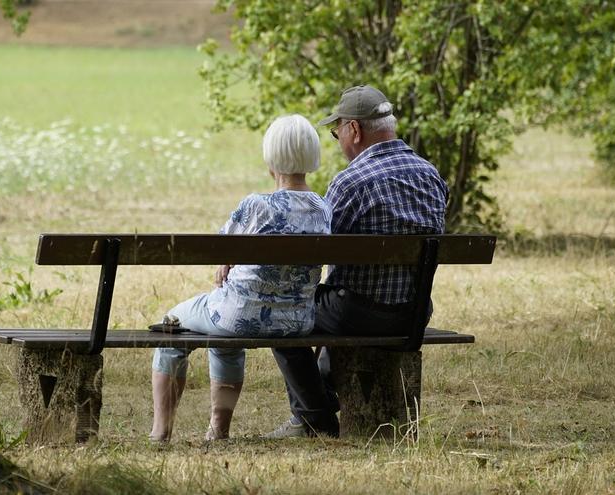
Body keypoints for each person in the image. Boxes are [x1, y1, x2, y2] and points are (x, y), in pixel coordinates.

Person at [265, 85, 449, 438]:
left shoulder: (350, 182)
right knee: (335, 298)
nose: (338, 141)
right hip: (414, 313)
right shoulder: (431, 176)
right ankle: (319, 400)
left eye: (337, 134)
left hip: (359, 314)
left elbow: (317, 252)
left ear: (354, 130)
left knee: (281, 310)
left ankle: (314, 418)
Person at [150, 114, 332, 442]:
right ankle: (217, 430)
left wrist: (227, 262)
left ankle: (160, 432)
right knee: (222, 331)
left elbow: (220, 249)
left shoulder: (256, 205)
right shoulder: (323, 209)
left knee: (172, 324)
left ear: (271, 157)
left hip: (239, 316)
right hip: (297, 322)